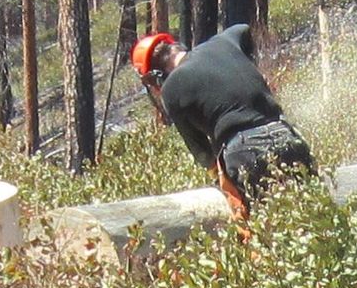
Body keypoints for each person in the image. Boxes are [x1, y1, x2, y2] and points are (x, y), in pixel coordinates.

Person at [131, 23, 316, 210]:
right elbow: (242, 28)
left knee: (265, 227)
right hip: (286, 134)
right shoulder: (223, 42)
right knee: (313, 213)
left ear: (156, 75)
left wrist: (221, 179)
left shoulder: (171, 89)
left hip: (245, 152)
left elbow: (202, 152)